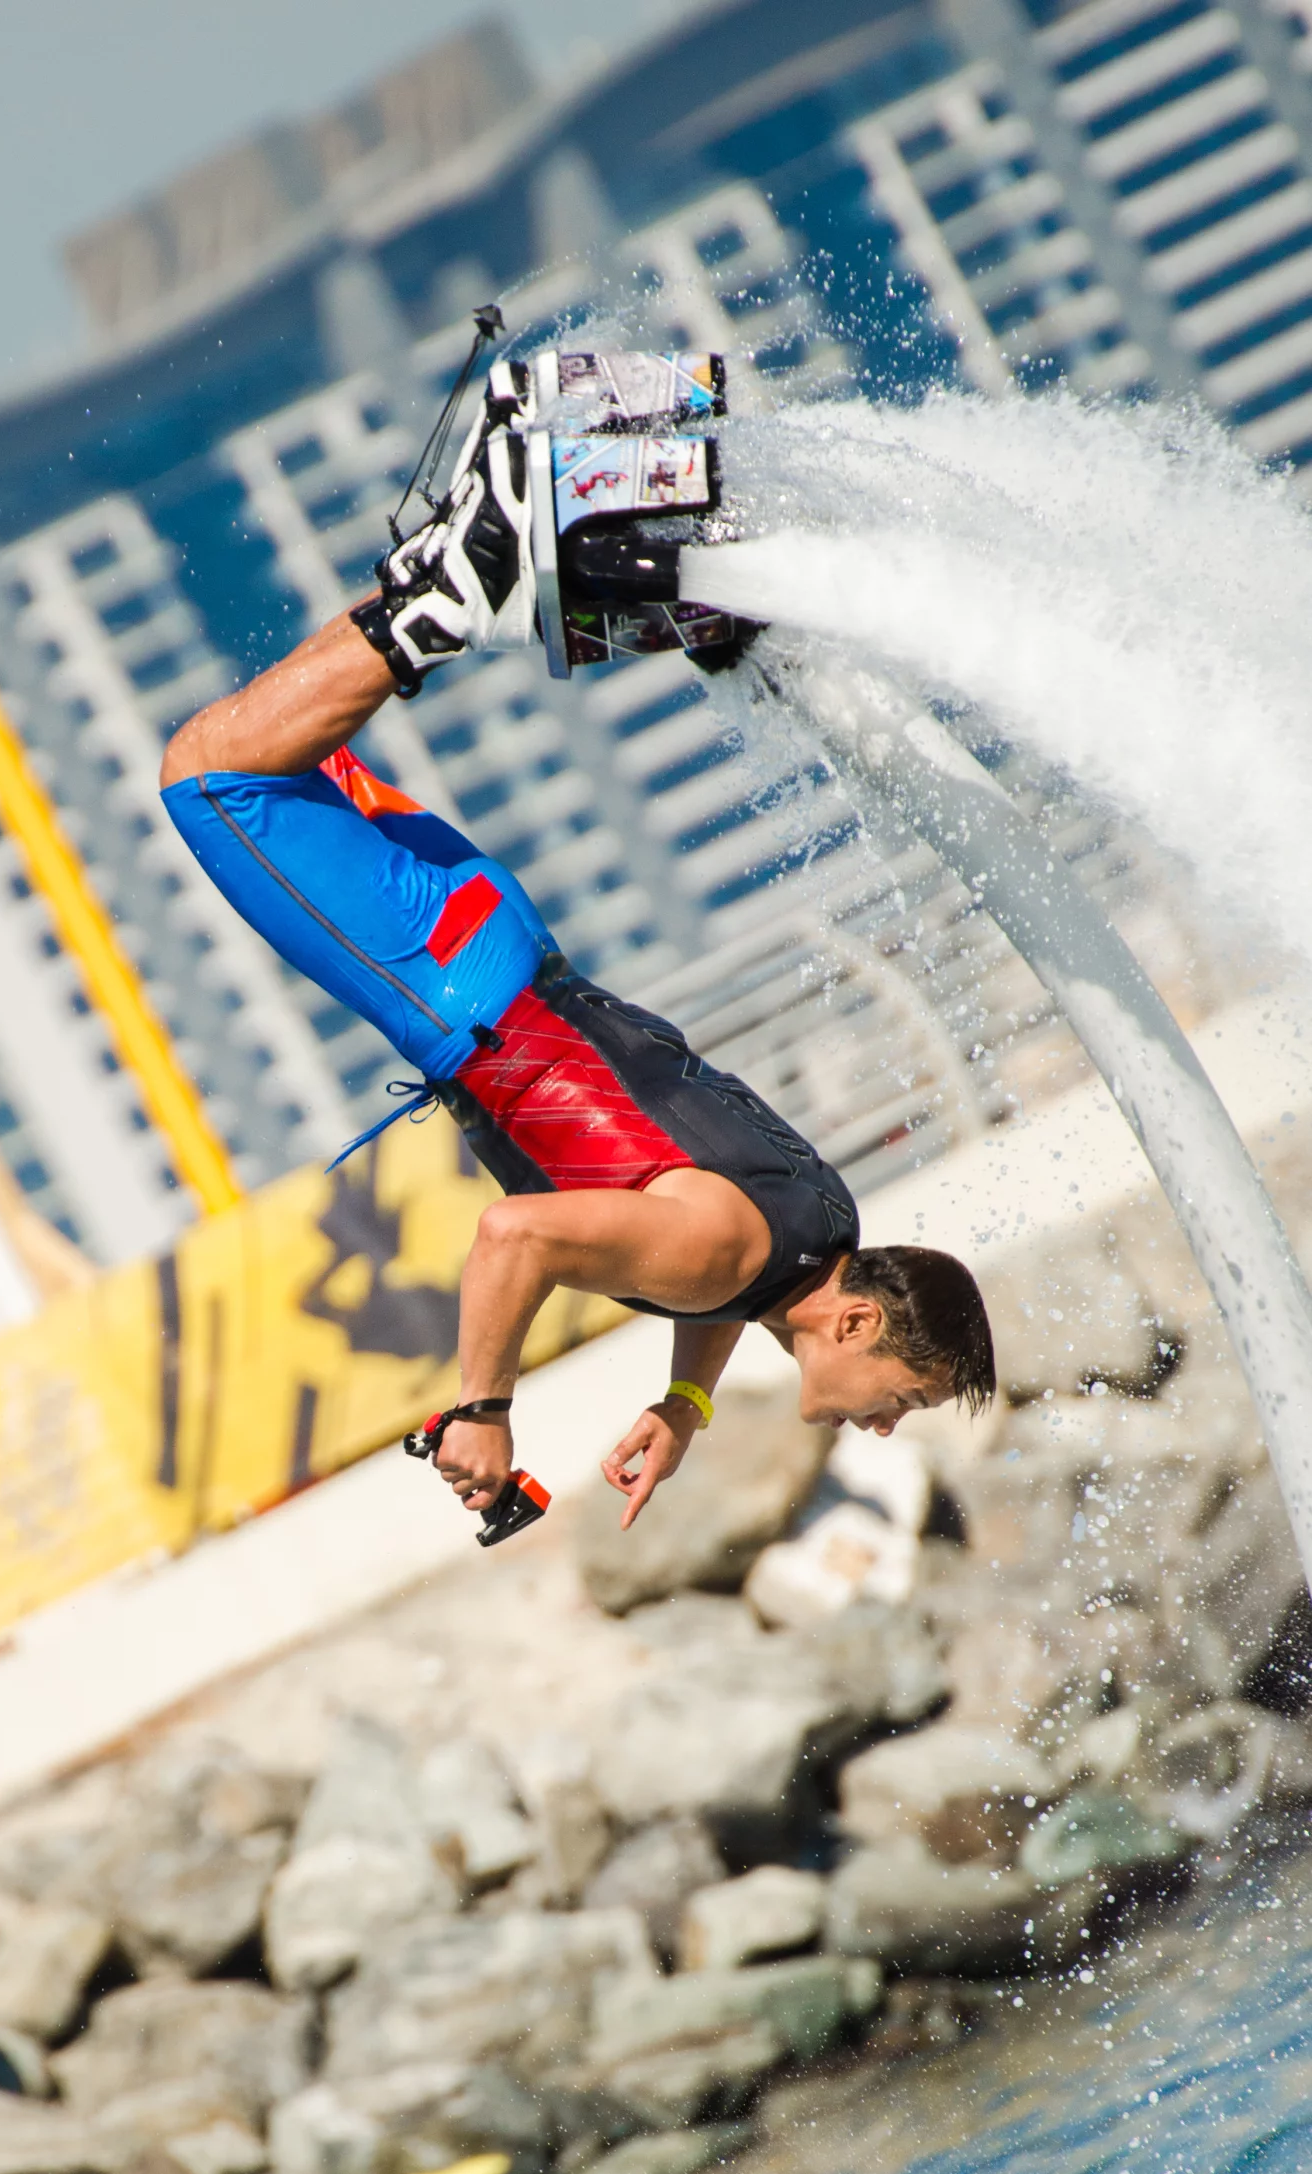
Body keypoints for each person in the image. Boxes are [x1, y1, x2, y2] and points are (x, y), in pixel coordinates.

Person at [160, 362, 995, 1532]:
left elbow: (714, 1258)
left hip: (498, 941)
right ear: (856, 1324)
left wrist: (685, 1401)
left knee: (252, 747)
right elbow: (519, 1234)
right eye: (901, 1398)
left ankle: (464, 553)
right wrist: (484, 1410)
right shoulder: (719, 1256)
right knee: (213, 780)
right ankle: (462, 582)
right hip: (453, 989)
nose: (885, 1425)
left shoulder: (816, 1227)